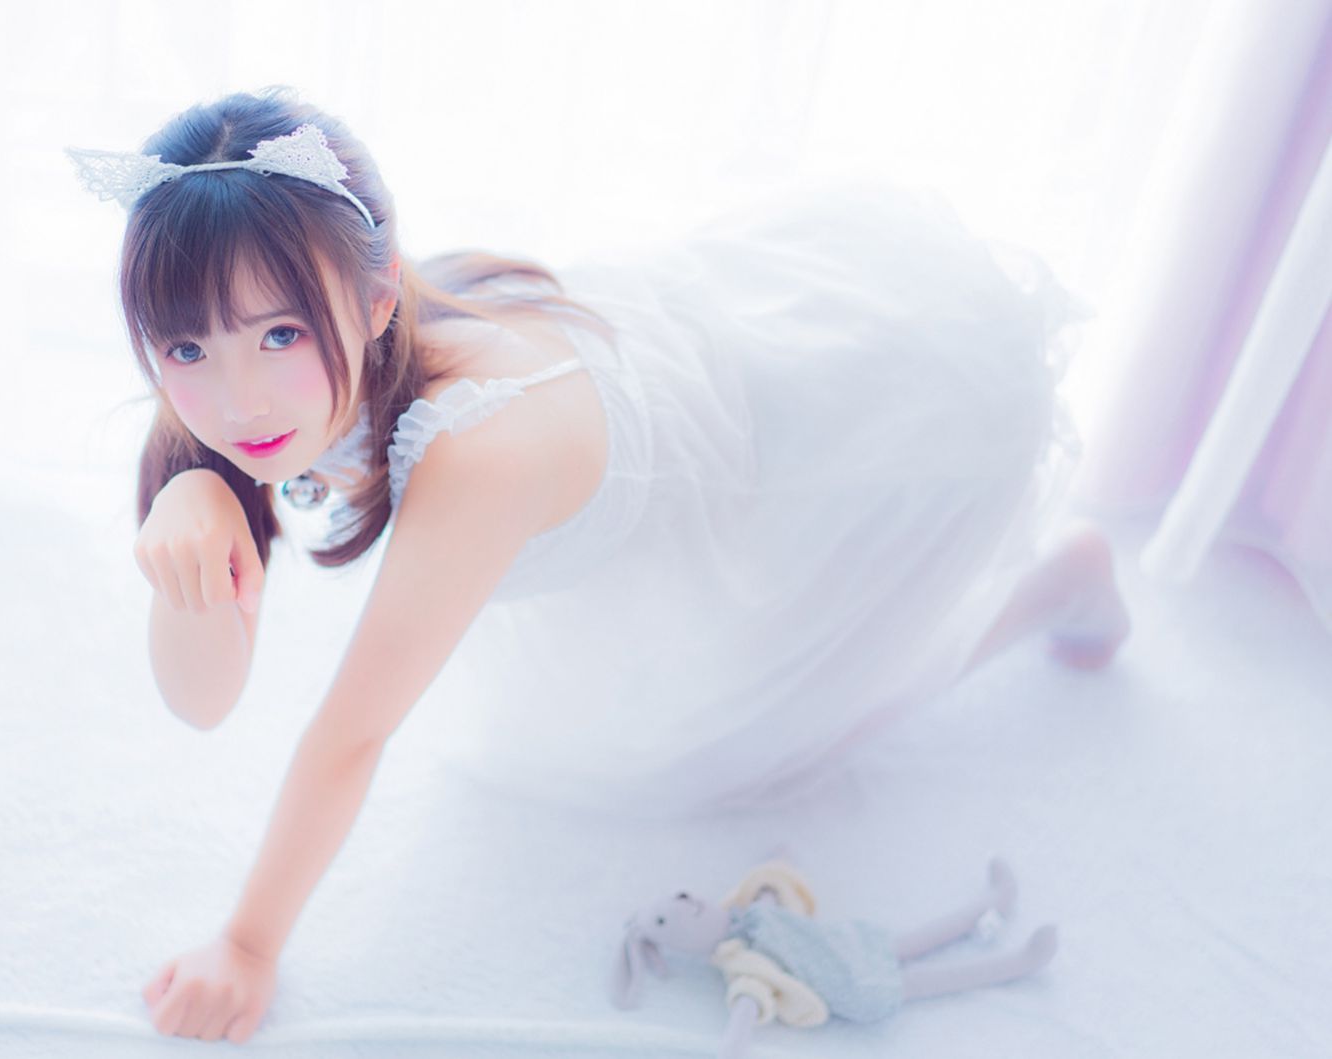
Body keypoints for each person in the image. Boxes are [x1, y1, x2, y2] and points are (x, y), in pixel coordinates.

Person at [67, 84, 1130, 1044]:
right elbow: (203, 701)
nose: (237, 398)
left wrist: (248, 945)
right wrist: (191, 501)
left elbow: (351, 736)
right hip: (657, 385)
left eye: (280, 336)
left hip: (783, 467)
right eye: (187, 348)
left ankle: (1060, 583)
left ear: (379, 297)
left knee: (786, 728)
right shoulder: (266, 374)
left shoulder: (479, 456)